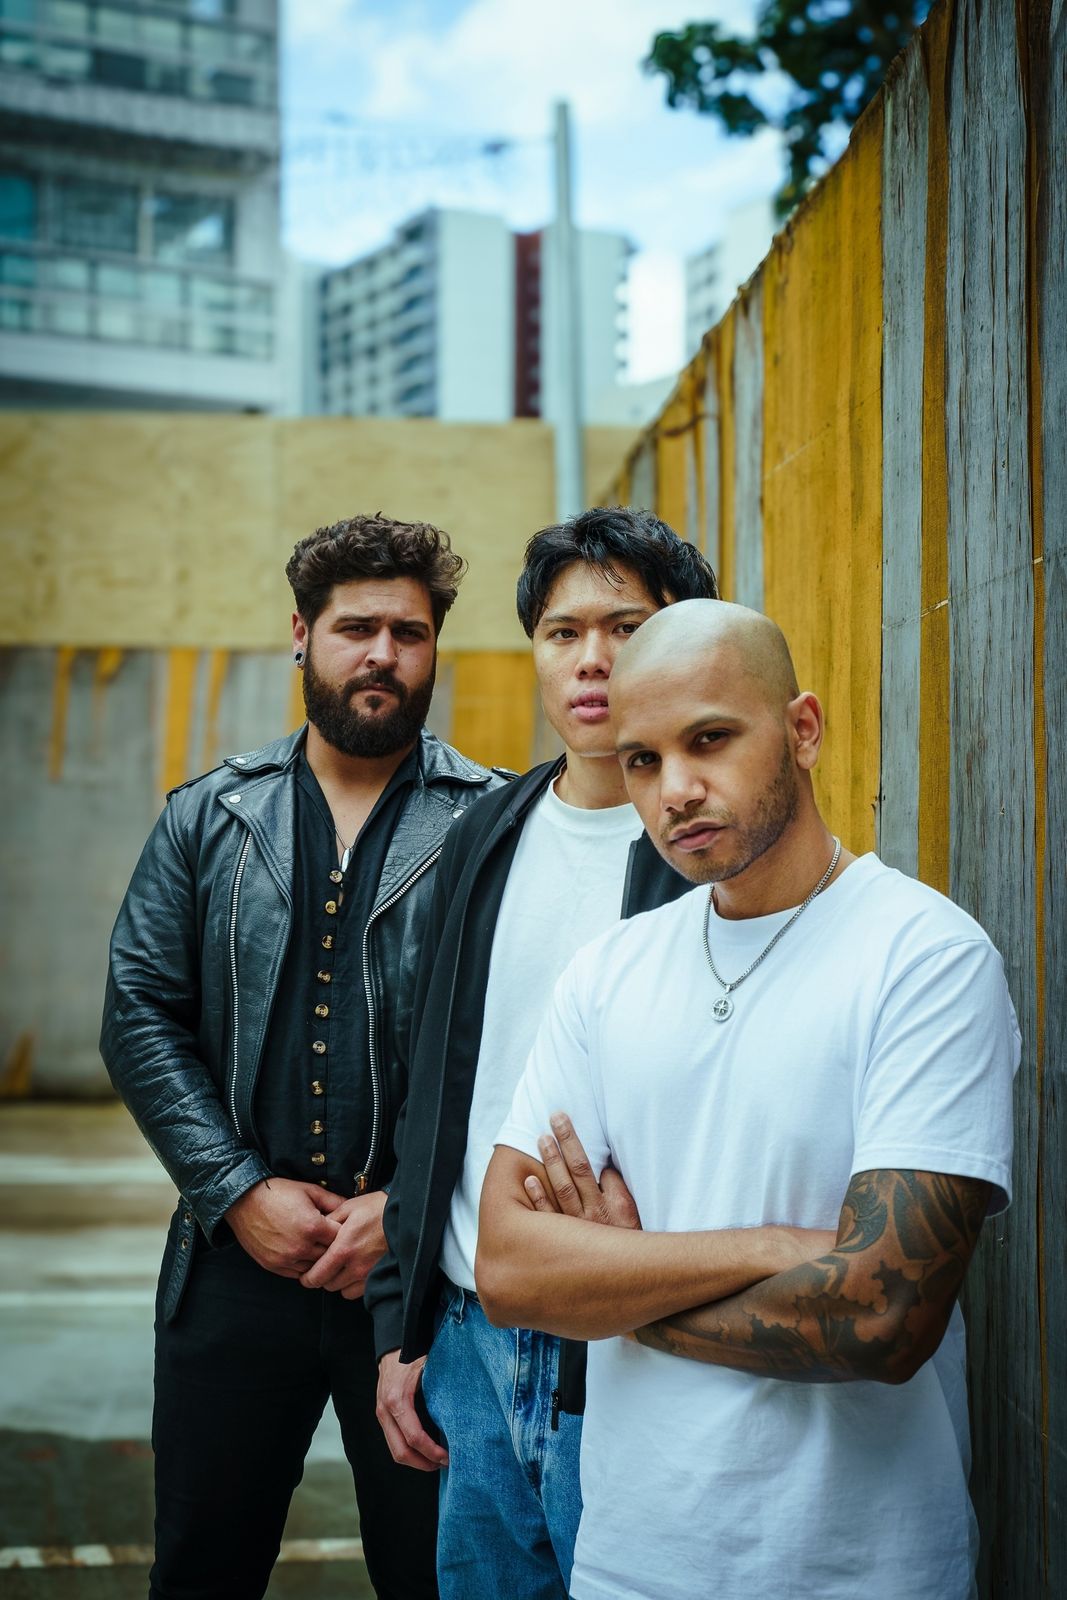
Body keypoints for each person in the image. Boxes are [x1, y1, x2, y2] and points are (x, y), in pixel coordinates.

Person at [478, 599, 1020, 1600]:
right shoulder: (607, 972)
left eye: (709, 739)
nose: (674, 790)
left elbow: (880, 1318)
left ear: (801, 729)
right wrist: (773, 1246)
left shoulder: (923, 959)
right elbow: (508, 1271)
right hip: (630, 1562)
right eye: (641, 760)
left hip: (859, 1570)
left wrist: (619, 1296)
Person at [101, 514, 506, 1600]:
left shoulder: (494, 822)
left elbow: (523, 1043)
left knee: (436, 1576)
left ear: (434, 648)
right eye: (355, 628)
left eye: (408, 633)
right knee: (203, 1569)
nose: (382, 654)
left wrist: (410, 1209)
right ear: (301, 635)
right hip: (235, 1267)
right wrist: (235, 1190)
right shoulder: (208, 817)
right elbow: (137, 1013)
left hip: (419, 1283)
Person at [365, 507, 720, 1597]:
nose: (592, 659)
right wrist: (402, 1322)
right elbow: (434, 1092)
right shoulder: (484, 832)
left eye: (625, 627)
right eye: (563, 633)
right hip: (467, 1337)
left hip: (625, 1345)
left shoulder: (712, 854)